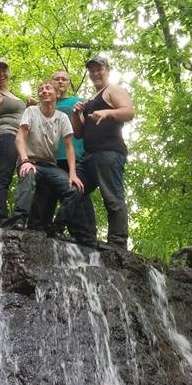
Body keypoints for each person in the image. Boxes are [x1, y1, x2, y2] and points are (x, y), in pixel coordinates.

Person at [9, 80, 95, 247]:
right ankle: (19, 219)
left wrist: (72, 174)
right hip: (31, 161)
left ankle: (57, 226)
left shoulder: (62, 117)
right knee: (28, 173)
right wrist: (24, 160)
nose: (44, 91)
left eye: (48, 88)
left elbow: (69, 147)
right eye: (41, 89)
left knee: (75, 189)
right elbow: (19, 138)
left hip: (50, 165)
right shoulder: (31, 111)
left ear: (57, 94)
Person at [72, 55, 134, 249]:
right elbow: (78, 133)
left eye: (99, 69)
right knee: (74, 191)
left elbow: (129, 112)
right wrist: (76, 114)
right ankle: (86, 235)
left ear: (107, 70)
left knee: (112, 197)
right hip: (89, 156)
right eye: (92, 70)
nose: (95, 73)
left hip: (109, 152)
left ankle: (117, 243)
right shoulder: (91, 99)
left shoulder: (113, 90)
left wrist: (108, 113)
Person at [27, 70, 95, 232]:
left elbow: (87, 128)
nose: (60, 82)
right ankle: (40, 229)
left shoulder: (78, 102)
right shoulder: (43, 105)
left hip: (74, 157)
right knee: (46, 194)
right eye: (56, 79)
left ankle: (86, 233)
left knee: (78, 192)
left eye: (64, 79)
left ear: (69, 83)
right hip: (50, 158)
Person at [0, 58, 26, 226]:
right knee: (4, 176)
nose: (1, 74)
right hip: (6, 136)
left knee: (26, 176)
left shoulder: (15, 96)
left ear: (8, 72)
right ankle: (0, 218)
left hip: (23, 139)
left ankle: (20, 217)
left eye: (3, 70)